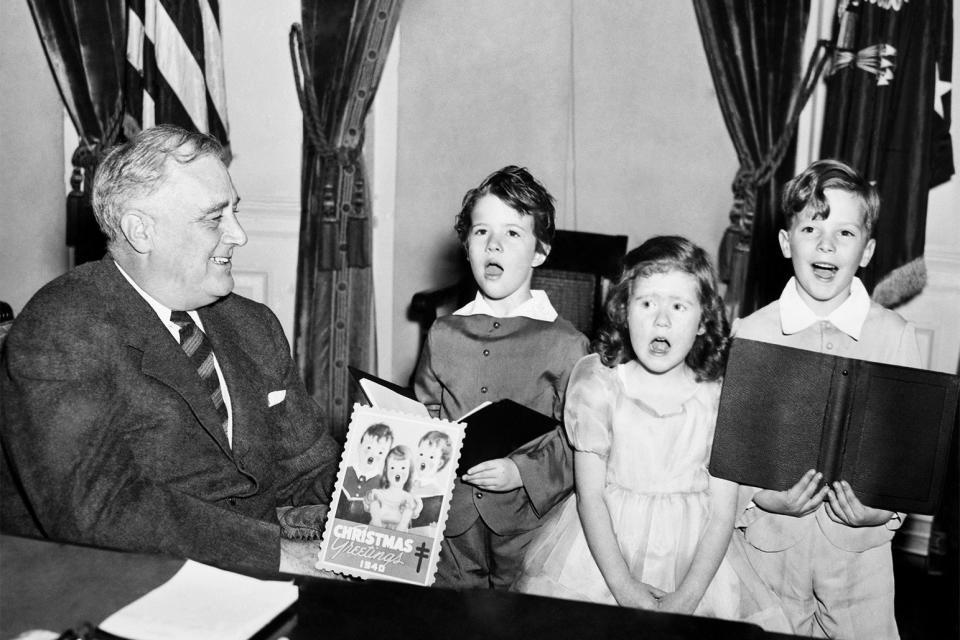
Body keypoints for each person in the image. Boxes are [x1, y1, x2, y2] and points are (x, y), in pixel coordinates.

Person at [0, 125, 340, 573]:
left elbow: (310, 467)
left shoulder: (253, 324)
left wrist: (389, 483)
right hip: (124, 581)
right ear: (141, 231)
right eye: (214, 218)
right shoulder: (61, 330)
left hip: (263, 573)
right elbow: (99, 509)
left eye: (234, 213)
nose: (238, 235)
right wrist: (281, 556)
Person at [514, 236, 783, 624]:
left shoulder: (721, 397)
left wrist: (686, 601)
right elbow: (590, 497)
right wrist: (624, 589)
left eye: (678, 305)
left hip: (696, 565)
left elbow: (723, 514)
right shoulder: (597, 384)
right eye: (646, 303)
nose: (661, 320)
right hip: (603, 555)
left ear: (704, 319)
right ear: (624, 312)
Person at [731, 159, 922, 639]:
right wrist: (763, 498)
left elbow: (908, 456)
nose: (826, 244)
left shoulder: (896, 337)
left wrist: (882, 511)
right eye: (811, 227)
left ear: (867, 251)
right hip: (768, 552)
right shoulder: (752, 333)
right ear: (784, 241)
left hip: (860, 558)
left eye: (845, 233)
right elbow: (728, 452)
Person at [414, 166, 589, 589]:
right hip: (450, 524)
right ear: (467, 246)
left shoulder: (567, 343)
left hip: (530, 526)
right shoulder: (443, 333)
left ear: (539, 251)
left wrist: (522, 472)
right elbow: (423, 415)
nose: (493, 245)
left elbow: (581, 443)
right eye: (480, 232)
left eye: (512, 233)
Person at [364, 445, 423, 531]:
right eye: (392, 467)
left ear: (409, 471)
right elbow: (376, 521)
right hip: (376, 534)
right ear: (386, 470)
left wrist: (398, 533)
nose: (397, 472)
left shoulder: (409, 499)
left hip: (399, 537)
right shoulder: (377, 495)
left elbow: (403, 524)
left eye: (403, 468)